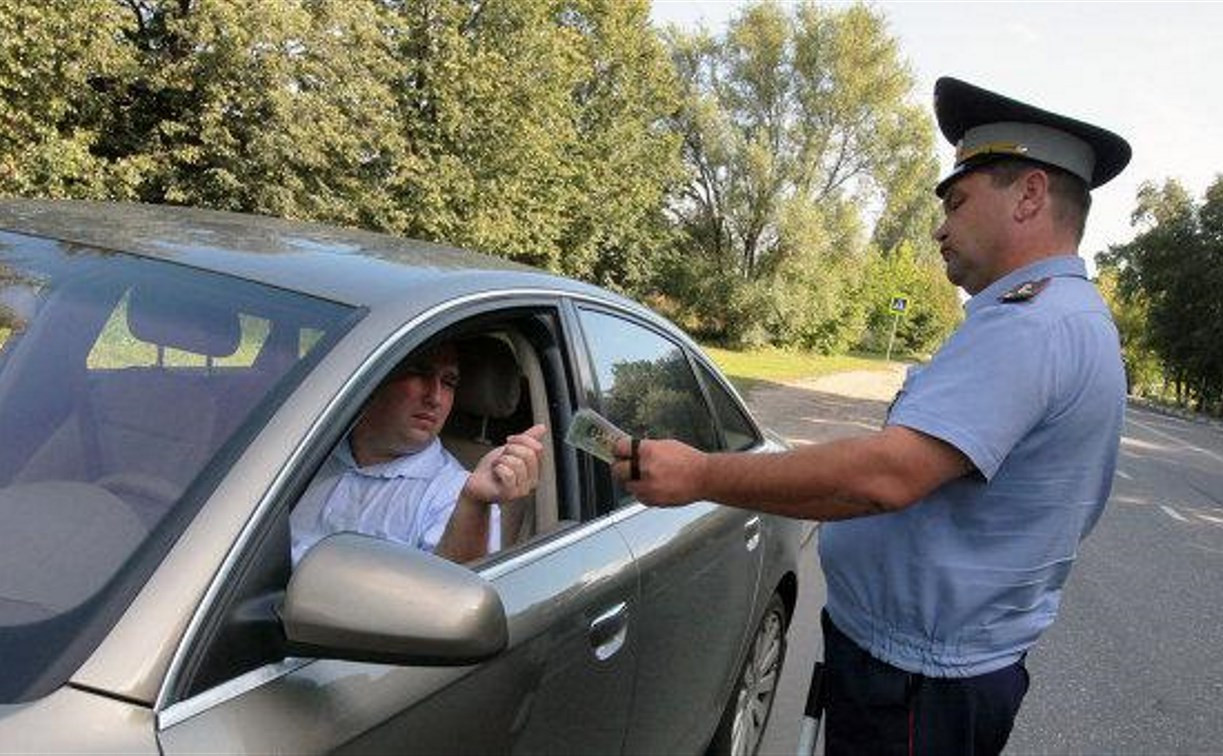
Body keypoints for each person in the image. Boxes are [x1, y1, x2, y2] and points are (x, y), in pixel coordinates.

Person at [611, 76, 1131, 755]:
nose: (940, 226)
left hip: (917, 687)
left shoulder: (1032, 327)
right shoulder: (1054, 318)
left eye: (958, 200)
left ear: (1029, 195)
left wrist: (701, 474)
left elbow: (884, 478)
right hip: (924, 674)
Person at [291, 339, 547, 565]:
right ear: (372, 377)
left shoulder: (454, 494)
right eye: (419, 372)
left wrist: (473, 502)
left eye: (449, 382)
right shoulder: (304, 448)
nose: (435, 397)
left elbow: (452, 598)